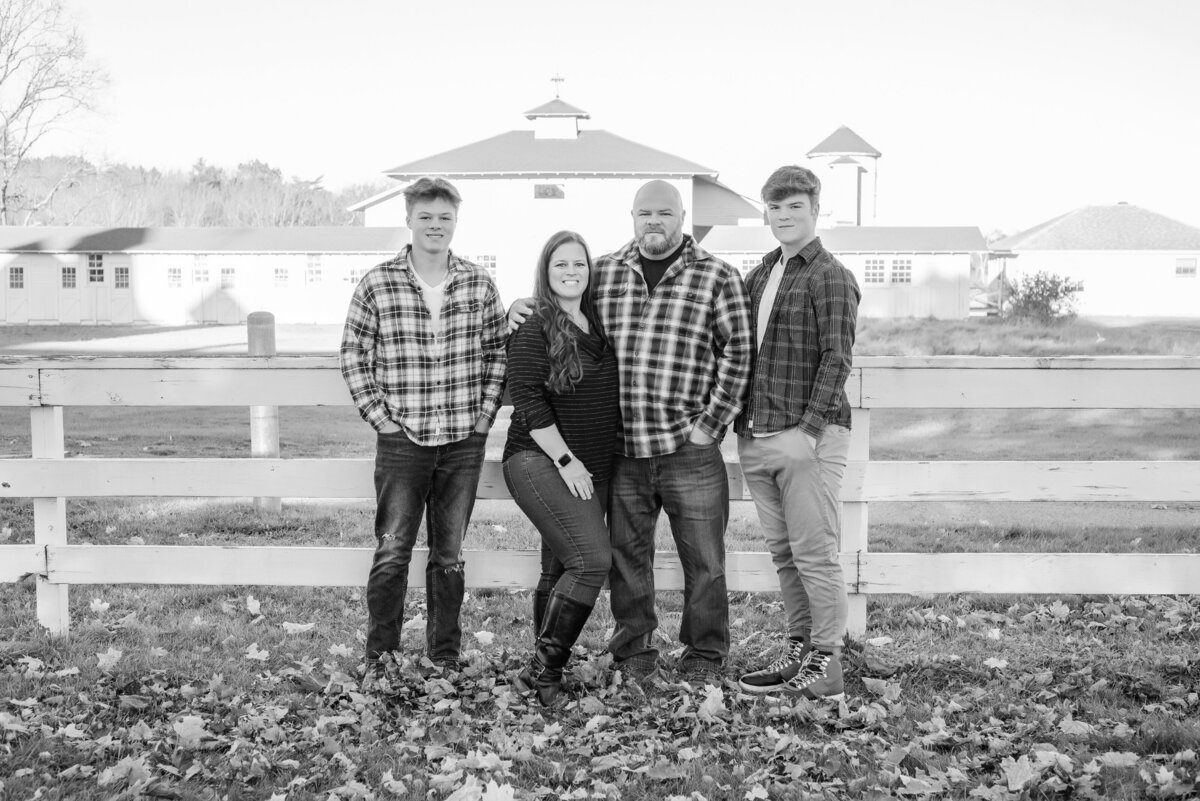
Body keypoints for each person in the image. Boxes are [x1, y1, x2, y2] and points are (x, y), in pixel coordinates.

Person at [509, 180, 753, 684]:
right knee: (626, 557)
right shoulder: (606, 271)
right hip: (624, 448)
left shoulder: (718, 276)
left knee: (705, 558)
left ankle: (704, 653)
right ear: (633, 216)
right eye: (645, 212)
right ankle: (633, 648)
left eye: (664, 212)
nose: (653, 221)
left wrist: (710, 426)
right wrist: (519, 306)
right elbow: (562, 299)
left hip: (689, 444)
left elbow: (738, 356)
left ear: (682, 216)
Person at [340, 176, 507, 689]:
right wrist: (381, 419)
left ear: (455, 221)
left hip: (462, 438)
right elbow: (352, 354)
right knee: (392, 548)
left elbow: (498, 352)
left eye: (445, 218)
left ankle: (444, 656)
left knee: (449, 553)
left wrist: (483, 418)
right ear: (409, 218)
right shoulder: (377, 282)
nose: (435, 226)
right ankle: (381, 657)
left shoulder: (478, 283)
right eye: (426, 217)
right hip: (402, 439)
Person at [734, 166, 860, 701]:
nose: (783, 217)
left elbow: (837, 358)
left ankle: (827, 665)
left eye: (794, 207)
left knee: (815, 554)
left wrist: (807, 433)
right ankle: (800, 649)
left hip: (807, 437)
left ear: (814, 209)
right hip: (759, 436)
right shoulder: (761, 273)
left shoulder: (829, 275)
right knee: (785, 555)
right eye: (775, 208)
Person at [503, 230, 619, 706]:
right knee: (592, 561)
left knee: (560, 565)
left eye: (579, 264)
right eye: (560, 265)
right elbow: (528, 400)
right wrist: (567, 460)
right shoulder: (535, 325)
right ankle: (544, 670)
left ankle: (543, 666)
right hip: (540, 460)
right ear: (545, 273)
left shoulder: (598, 322)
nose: (571, 272)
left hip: (591, 465)